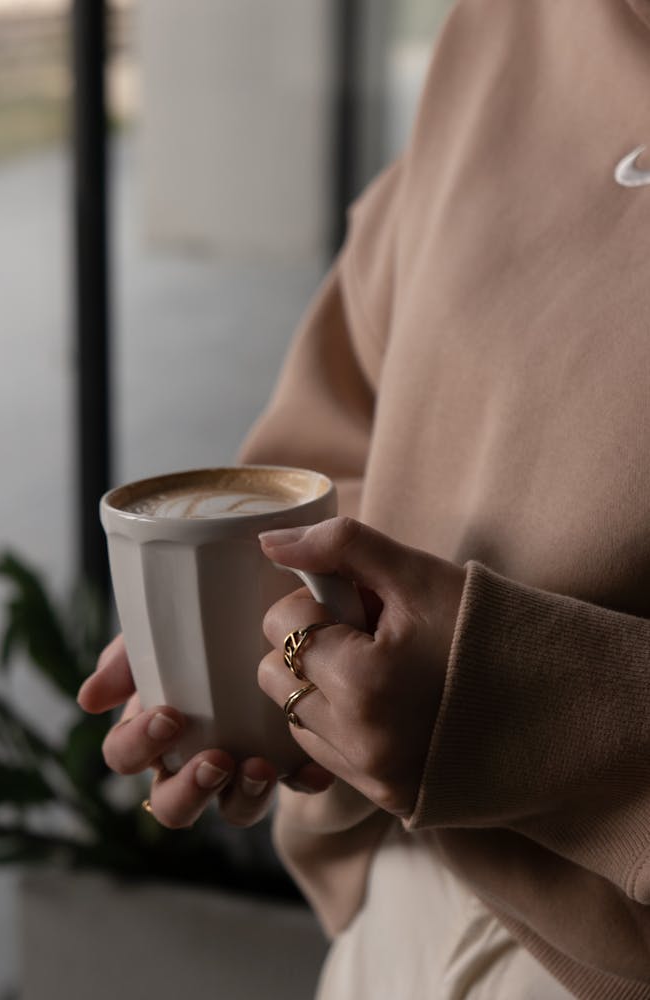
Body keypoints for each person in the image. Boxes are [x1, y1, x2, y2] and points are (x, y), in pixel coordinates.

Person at [78, 0, 650, 995]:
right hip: (398, 922)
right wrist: (273, 665)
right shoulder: (511, 25)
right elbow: (349, 439)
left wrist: (529, 715)